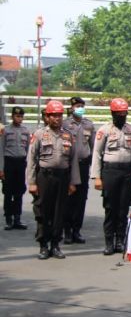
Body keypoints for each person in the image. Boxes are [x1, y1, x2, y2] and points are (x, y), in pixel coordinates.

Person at [26, 100, 80, 260]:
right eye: (54, 115)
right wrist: (32, 182)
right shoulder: (39, 134)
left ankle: (55, 244)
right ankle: (43, 245)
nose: (57, 118)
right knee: (43, 211)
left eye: (59, 115)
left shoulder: (68, 135)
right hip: (45, 177)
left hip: (62, 177)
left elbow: (73, 160)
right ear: (47, 117)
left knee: (59, 212)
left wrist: (73, 182)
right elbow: (32, 160)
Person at [91, 98, 131, 256]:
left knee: (123, 208)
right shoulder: (104, 130)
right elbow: (97, 153)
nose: (122, 116)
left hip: (127, 172)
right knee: (110, 208)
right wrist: (97, 177)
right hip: (110, 172)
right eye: (119, 114)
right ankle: (109, 242)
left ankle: (120, 240)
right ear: (113, 114)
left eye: (124, 114)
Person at [62, 96, 94, 244]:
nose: (79, 108)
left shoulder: (88, 124)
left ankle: (77, 230)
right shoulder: (65, 124)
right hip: (69, 165)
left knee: (81, 199)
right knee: (69, 198)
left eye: (81, 105)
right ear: (71, 108)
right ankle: (67, 230)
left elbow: (93, 146)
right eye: (76, 106)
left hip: (83, 165)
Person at [1, 106, 31, 231]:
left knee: (19, 192)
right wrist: (1, 168)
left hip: (20, 163)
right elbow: (1, 150)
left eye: (21, 116)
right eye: (17, 116)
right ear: (12, 116)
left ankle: (17, 218)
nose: (19, 118)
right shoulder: (6, 131)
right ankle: (8, 218)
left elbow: (28, 149)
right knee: (8, 192)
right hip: (9, 163)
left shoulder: (26, 131)